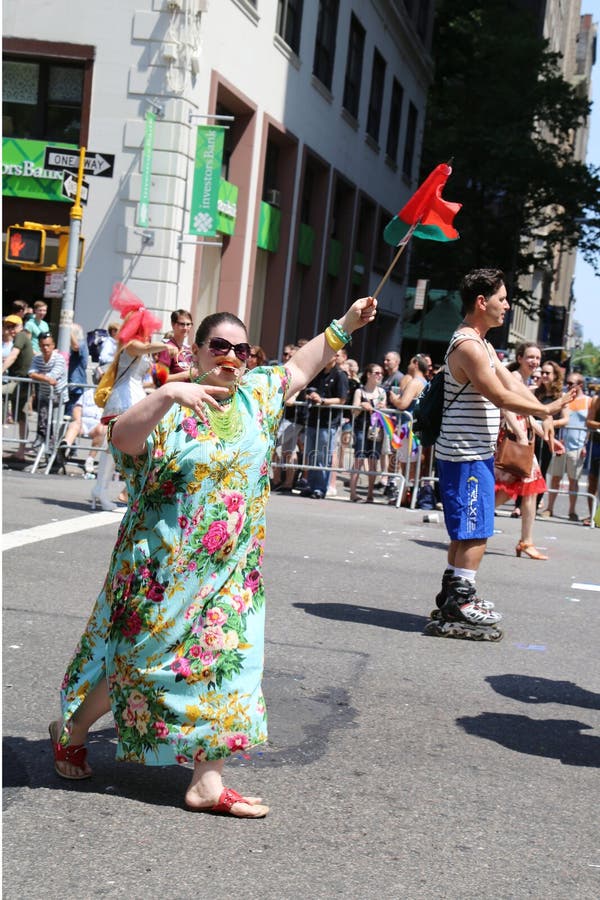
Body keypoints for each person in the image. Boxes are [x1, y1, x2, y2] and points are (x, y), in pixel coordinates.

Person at [49, 296, 377, 818]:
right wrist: (169, 394)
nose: (230, 356)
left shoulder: (258, 396)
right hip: (162, 568)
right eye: (218, 346)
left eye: (239, 349)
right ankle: (74, 727)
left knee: (231, 663)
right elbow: (122, 440)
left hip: (231, 570)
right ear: (198, 351)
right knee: (138, 666)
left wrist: (346, 325)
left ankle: (207, 782)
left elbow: (299, 365)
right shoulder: (169, 404)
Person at [428, 269, 574, 640]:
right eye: (502, 299)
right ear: (482, 302)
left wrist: (545, 408)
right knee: (476, 530)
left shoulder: (484, 344)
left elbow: (513, 385)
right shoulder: (468, 346)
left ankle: (451, 593)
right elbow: (500, 396)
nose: (507, 306)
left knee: (465, 531)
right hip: (465, 453)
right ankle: (462, 599)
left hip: (470, 451)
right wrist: (547, 409)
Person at [90, 285, 178, 511]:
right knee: (120, 447)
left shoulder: (136, 347)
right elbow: (146, 346)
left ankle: (119, 491)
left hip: (133, 397)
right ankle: (106, 490)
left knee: (134, 447)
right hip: (124, 400)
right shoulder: (131, 345)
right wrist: (168, 346)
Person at [494, 343, 565, 560]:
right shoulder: (514, 377)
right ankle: (474, 520)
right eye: (531, 357)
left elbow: (527, 416)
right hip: (516, 440)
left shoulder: (525, 382)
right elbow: (505, 407)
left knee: (526, 490)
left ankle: (525, 540)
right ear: (520, 357)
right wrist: (522, 436)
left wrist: (546, 436)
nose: (535, 362)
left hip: (523, 439)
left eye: (537, 358)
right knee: (515, 489)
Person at [544, 373, 592, 521]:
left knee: (573, 481)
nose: (569, 386)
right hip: (561, 445)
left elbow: (589, 426)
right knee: (555, 478)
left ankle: (572, 511)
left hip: (577, 448)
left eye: (572, 383)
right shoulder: (564, 399)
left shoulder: (588, 402)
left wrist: (585, 445)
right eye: (568, 383)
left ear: (580, 385)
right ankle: (549, 508)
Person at [301, 352, 349, 499]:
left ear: (335, 357)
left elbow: (342, 400)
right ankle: (310, 485)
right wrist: (310, 395)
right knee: (311, 454)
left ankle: (320, 488)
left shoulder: (340, 375)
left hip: (328, 422)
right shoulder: (318, 372)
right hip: (313, 419)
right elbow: (308, 389)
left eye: (333, 354)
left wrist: (322, 401)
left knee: (323, 455)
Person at [348, 363, 386, 502]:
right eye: (376, 373)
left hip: (376, 430)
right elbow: (354, 412)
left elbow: (384, 413)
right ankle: (353, 492)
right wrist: (361, 406)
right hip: (361, 428)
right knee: (358, 458)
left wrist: (381, 408)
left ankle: (370, 494)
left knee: (373, 460)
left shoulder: (382, 392)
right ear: (369, 374)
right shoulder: (360, 391)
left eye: (381, 373)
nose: (379, 375)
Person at [534, 361, 568, 515]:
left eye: (548, 373)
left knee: (541, 472)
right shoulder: (535, 392)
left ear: (555, 376)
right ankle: (519, 504)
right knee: (526, 471)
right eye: (542, 373)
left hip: (548, 439)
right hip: (532, 438)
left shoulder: (560, 396)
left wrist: (548, 423)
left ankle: (534, 505)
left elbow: (566, 419)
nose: (544, 375)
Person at [2, 315, 33, 460]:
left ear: (20, 326)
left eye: (13, 326)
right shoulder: (21, 337)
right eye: (8, 326)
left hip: (20, 381)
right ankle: (21, 450)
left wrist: (1, 370)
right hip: (20, 382)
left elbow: (13, 355)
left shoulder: (21, 336)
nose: (10, 329)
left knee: (3, 394)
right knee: (20, 416)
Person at [28, 333, 68, 448]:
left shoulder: (59, 359)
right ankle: (42, 439)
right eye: (42, 345)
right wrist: (45, 378)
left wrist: (39, 375)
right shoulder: (37, 358)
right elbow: (31, 373)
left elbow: (53, 376)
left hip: (59, 396)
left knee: (55, 424)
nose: (45, 348)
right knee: (43, 419)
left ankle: (54, 449)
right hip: (44, 394)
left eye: (48, 345)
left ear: (53, 345)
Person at [60, 389, 108, 474]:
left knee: (102, 429)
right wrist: (78, 420)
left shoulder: (110, 394)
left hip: (98, 423)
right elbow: (77, 408)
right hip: (83, 421)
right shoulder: (88, 393)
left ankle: (90, 459)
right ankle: (65, 446)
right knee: (74, 425)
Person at [154, 310, 195, 382]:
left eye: (188, 324)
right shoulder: (167, 348)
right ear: (173, 325)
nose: (185, 328)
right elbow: (159, 379)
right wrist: (186, 374)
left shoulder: (188, 350)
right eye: (182, 324)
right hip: (171, 392)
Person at [66, 324, 89, 416]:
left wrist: (68, 331)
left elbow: (76, 346)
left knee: (71, 413)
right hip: (73, 383)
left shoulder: (81, 344)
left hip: (76, 383)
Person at [584, 393, 600, 526]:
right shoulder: (596, 399)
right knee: (592, 481)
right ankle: (592, 515)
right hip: (595, 444)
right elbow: (589, 421)